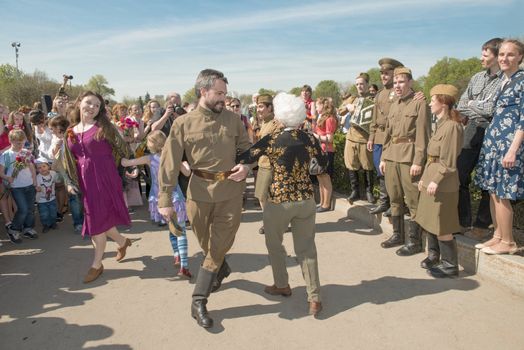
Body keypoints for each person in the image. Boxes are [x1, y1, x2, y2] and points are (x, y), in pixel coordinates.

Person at [158, 69, 251, 328]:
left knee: (218, 245)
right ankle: (220, 267)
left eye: (225, 93)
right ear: (203, 92)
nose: (224, 97)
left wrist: (246, 166)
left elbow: (246, 150)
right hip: (198, 193)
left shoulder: (234, 120)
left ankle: (198, 299)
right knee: (207, 244)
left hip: (231, 194)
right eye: (219, 93)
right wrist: (164, 199)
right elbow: (169, 162)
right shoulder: (183, 123)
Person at [237, 92, 326, 317]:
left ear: (279, 117)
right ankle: (314, 297)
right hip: (306, 199)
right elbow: (321, 166)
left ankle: (282, 284)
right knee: (307, 249)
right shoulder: (310, 138)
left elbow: (247, 156)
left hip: (279, 200)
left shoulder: (274, 139)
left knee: (274, 244)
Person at [62, 91, 133, 283]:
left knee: (96, 222)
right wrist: (69, 182)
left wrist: (127, 166)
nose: (92, 107)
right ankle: (122, 241)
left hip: (105, 179)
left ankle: (97, 264)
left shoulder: (105, 127)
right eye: (88, 103)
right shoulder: (70, 131)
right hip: (85, 182)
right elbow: (67, 160)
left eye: (96, 105)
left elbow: (123, 150)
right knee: (100, 219)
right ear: (79, 104)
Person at [474, 39, 524, 255]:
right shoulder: (504, 80)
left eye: (510, 55)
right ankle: (498, 236)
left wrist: (513, 149)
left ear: (520, 57)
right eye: (502, 54)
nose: (504, 58)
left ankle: (509, 242)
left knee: (502, 193)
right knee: (493, 191)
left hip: (509, 144)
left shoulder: (522, 81)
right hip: (493, 142)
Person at [122, 131, 192, 278]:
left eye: (148, 142)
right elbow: (186, 173)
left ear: (154, 143)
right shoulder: (173, 158)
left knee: (172, 229)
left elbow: (126, 163)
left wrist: (120, 154)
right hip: (175, 197)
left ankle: (176, 255)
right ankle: (183, 266)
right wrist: (185, 163)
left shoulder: (150, 158)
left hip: (159, 199)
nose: (147, 144)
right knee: (180, 230)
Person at [379, 67, 430, 256]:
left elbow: (423, 135)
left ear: (410, 82)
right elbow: (388, 134)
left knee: (413, 200)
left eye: (401, 82)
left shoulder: (419, 104)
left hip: (409, 157)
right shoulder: (394, 104)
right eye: (395, 82)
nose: (397, 86)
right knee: (394, 197)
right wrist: (384, 156)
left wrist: (418, 160)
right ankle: (398, 235)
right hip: (392, 155)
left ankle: (415, 242)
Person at [456, 38, 504, 239]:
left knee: (488, 180)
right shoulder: (476, 78)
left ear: (496, 56)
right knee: (459, 174)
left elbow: (493, 111)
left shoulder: (506, 79)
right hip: (473, 129)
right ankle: (462, 221)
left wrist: (474, 106)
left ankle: (482, 225)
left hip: (494, 131)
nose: (481, 57)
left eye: (485, 54)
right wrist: (479, 107)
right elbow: (461, 105)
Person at [415, 84, 463, 278]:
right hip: (433, 180)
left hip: (444, 184)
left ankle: (450, 265)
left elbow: (448, 161)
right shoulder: (441, 124)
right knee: (430, 221)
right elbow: (432, 158)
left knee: (442, 225)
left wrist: (435, 181)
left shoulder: (452, 127)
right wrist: (425, 180)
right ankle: (435, 257)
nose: (430, 104)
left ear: (443, 103)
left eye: (433, 100)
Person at [367, 58, 404, 215]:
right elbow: (374, 120)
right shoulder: (379, 95)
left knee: (392, 172)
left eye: (387, 73)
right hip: (379, 138)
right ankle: (384, 201)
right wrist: (371, 137)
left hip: (393, 138)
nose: (383, 76)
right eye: (381, 73)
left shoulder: (400, 92)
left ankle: (396, 204)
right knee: (380, 170)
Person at [0, 129, 38, 243]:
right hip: (16, 187)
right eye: (17, 142)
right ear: (11, 141)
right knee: (23, 209)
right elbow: (1, 172)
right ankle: (14, 229)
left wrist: (35, 181)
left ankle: (28, 228)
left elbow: (32, 167)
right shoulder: (6, 155)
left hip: (29, 184)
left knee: (31, 209)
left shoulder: (26, 152)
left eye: (22, 142)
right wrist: (7, 178)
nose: (20, 145)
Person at [343, 73, 375, 204]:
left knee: (368, 166)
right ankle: (355, 191)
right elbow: (339, 110)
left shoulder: (374, 100)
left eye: (362, 84)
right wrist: (347, 107)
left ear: (367, 84)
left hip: (365, 138)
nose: (359, 86)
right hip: (351, 137)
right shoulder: (352, 99)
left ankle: (369, 192)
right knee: (351, 164)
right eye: (357, 84)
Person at [49, 116, 84, 233]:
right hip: (66, 174)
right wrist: (56, 150)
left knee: (84, 197)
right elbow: (53, 157)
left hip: (79, 170)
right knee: (74, 198)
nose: (52, 131)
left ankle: (88, 221)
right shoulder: (56, 140)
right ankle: (78, 223)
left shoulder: (72, 136)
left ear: (59, 127)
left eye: (53, 128)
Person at [254, 94, 281, 234]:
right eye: (257, 106)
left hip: (271, 165)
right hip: (263, 164)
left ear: (270, 107)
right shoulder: (263, 122)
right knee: (262, 196)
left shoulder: (276, 123)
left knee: (271, 197)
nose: (258, 109)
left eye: (261, 106)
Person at [313, 98, 337, 212]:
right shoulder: (322, 118)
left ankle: (326, 204)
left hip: (327, 150)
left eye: (317, 106)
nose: (316, 108)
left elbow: (330, 138)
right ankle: (322, 203)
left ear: (323, 105)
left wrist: (316, 136)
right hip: (320, 151)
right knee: (320, 177)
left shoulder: (330, 119)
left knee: (325, 178)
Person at [35, 157, 58, 233]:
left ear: (48, 166)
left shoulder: (53, 174)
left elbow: (57, 180)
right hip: (42, 200)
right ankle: (46, 225)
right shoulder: (37, 178)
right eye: (39, 168)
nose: (42, 169)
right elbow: (36, 186)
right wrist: (37, 188)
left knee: (53, 212)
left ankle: (53, 222)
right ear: (37, 170)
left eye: (44, 166)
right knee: (44, 214)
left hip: (52, 198)